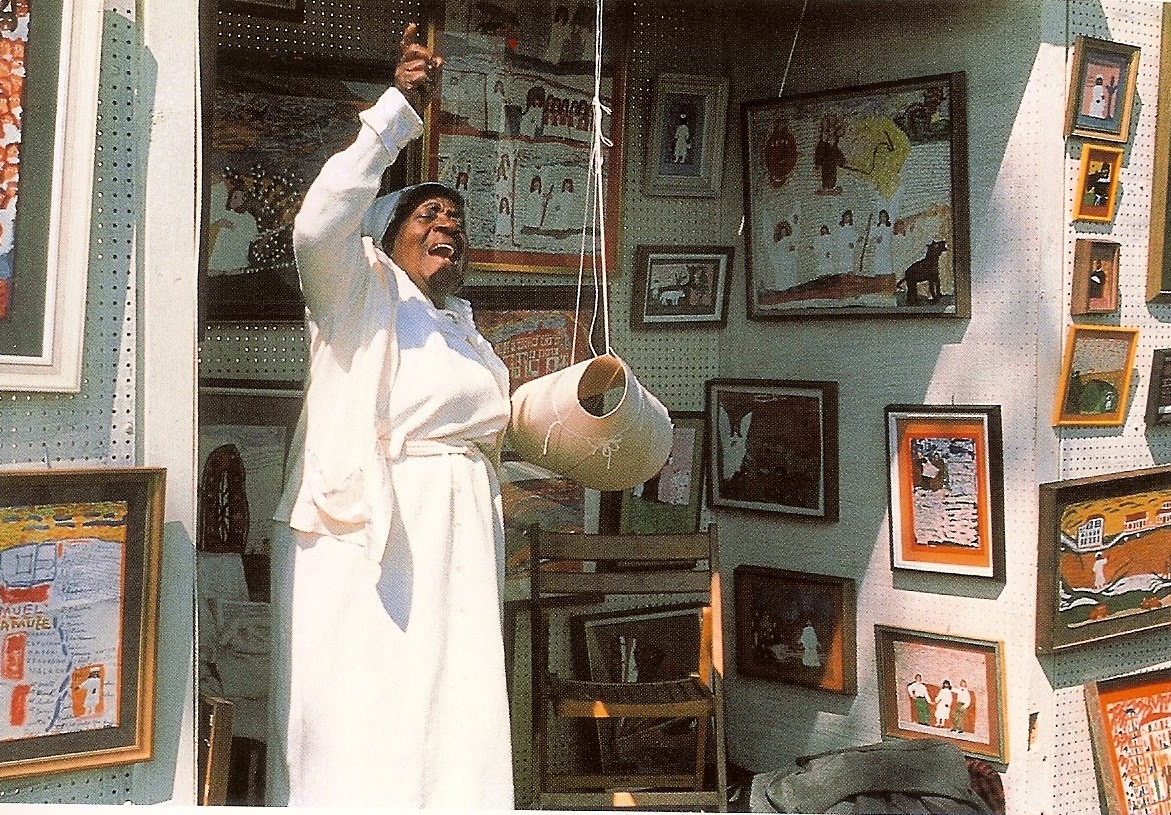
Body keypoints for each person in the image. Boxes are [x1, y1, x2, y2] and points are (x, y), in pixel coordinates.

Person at [268, 23, 513, 808]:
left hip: (459, 546)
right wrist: (395, 114)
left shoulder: (461, 326)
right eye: (428, 214)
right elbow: (317, 221)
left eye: (457, 221)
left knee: (450, 722)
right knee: (364, 722)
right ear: (386, 234)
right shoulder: (355, 290)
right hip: (373, 547)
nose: (448, 226)